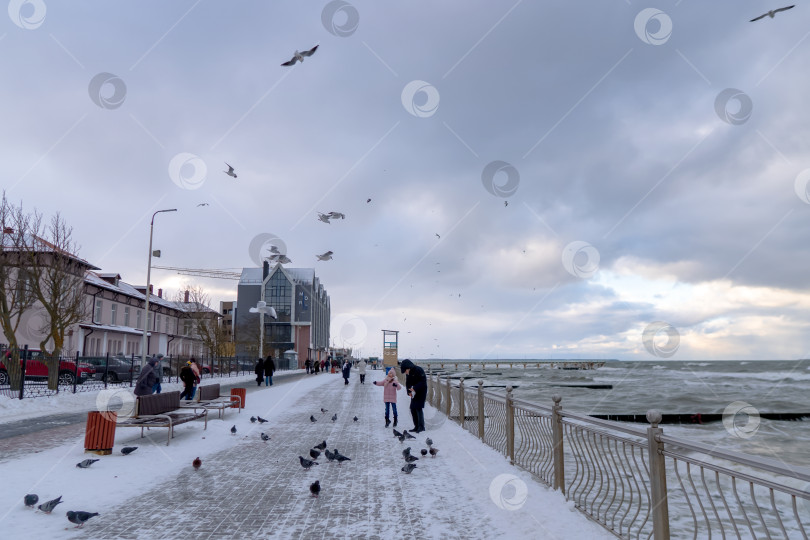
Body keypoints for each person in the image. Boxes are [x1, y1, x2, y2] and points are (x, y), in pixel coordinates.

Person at [400, 359, 427, 433]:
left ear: (408, 367)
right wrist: (409, 391)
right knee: (412, 408)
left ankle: (421, 427)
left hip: (421, 391)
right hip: (413, 392)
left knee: (418, 408)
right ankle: (416, 426)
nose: (405, 372)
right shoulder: (408, 373)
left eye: (405, 371)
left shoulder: (419, 370)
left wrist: (414, 388)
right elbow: (407, 383)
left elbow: (423, 382)